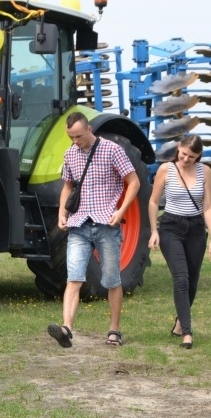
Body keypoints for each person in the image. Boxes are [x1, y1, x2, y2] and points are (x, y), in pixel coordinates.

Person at [47, 112, 140, 348]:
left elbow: (134, 182)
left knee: (111, 280)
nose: (75, 141)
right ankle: (66, 329)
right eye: (71, 137)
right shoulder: (70, 154)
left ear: (89, 129)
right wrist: (62, 213)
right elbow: (68, 186)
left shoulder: (112, 150)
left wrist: (121, 211)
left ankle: (114, 331)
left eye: (78, 136)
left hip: (106, 225)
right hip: (79, 225)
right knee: (74, 278)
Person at [148, 134, 211, 349]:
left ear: (199, 156)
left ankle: (180, 321)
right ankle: (187, 332)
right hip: (171, 227)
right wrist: (153, 231)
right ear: (179, 148)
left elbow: (207, 206)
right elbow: (152, 202)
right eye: (184, 154)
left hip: (196, 228)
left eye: (192, 156)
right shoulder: (165, 170)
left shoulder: (204, 171)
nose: (186, 159)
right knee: (181, 278)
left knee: (193, 279)